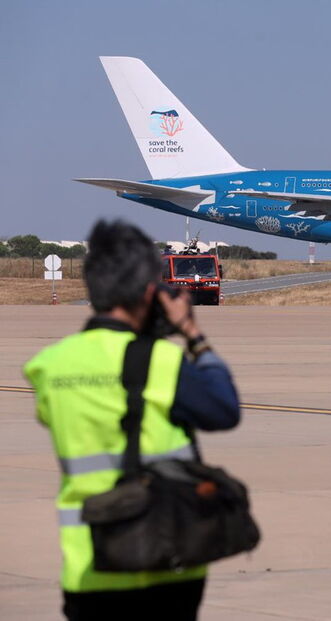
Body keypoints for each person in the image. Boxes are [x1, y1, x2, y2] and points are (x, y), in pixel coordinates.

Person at [23, 220, 241, 621]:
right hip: (167, 562)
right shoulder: (162, 360)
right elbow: (224, 409)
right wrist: (191, 333)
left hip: (90, 568)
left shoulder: (48, 367)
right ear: (150, 289)